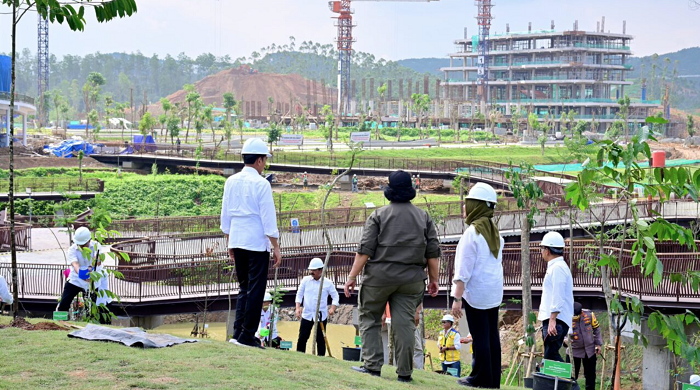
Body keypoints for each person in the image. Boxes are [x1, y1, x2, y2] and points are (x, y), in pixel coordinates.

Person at [344, 170, 441, 383]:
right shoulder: (423, 217)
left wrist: (352, 277)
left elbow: (365, 251)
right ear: (410, 190)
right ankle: (405, 373)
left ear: (389, 190)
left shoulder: (378, 216)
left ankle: (372, 366)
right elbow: (432, 253)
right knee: (404, 323)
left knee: (370, 317)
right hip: (411, 280)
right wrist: (434, 280)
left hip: (379, 278)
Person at [222, 138, 282, 349]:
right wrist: (275, 246)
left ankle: (238, 332)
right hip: (256, 242)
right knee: (256, 289)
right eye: (264, 160)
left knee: (244, 288)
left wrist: (229, 241)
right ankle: (247, 335)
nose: (264, 164)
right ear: (258, 160)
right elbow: (268, 218)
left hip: (237, 239)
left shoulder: (231, 181)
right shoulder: (261, 183)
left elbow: (225, 215)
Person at [451, 182, 504, 389]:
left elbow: (463, 272)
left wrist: (457, 299)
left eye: (468, 204)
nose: (465, 208)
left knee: (480, 337)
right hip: (493, 294)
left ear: (477, 206)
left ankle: (480, 378)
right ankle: (492, 380)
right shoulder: (494, 231)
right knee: (491, 337)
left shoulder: (472, 234)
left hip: (477, 294)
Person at [538, 231, 574, 362]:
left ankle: (570, 382)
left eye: (542, 248)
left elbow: (558, 294)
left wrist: (552, 319)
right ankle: (561, 382)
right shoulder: (557, 266)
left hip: (556, 319)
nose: (541, 251)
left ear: (547, 250)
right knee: (550, 355)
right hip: (555, 318)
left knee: (551, 355)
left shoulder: (557, 268)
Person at [295, 258, 339, 356]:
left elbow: (335, 296)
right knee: (302, 337)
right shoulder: (305, 281)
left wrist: (332, 308)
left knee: (320, 339)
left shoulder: (327, 283)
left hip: (321, 315)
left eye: (314, 270)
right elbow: (299, 295)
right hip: (307, 314)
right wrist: (298, 308)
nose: (311, 272)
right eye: (311, 270)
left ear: (320, 270)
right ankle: (299, 356)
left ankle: (321, 358)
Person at [571, 302, 602, 390]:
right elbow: (562, 333)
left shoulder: (590, 315)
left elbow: (596, 329)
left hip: (589, 350)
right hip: (573, 350)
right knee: (572, 376)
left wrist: (598, 344)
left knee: (590, 375)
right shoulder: (565, 316)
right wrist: (565, 340)